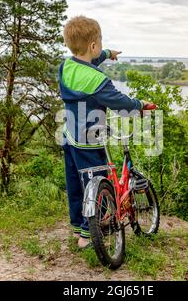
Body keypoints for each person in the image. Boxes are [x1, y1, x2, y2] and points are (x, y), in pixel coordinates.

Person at [59, 15, 153, 248]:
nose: (100, 47)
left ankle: (77, 227)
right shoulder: (98, 81)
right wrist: (139, 105)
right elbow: (119, 102)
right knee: (96, 184)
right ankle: (88, 235)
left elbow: (87, 61)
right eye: (100, 43)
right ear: (92, 45)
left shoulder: (66, 67)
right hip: (89, 140)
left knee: (76, 184)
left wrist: (107, 53)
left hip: (70, 135)